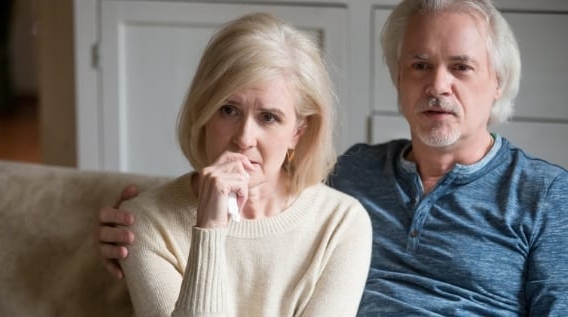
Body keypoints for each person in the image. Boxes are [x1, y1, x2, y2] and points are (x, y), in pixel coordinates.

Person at [97, 0, 568, 315]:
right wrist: (134, 224)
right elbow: (257, 187)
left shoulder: (545, 195)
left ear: (498, 82)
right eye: (419, 65)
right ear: (398, 78)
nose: (438, 85)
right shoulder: (353, 172)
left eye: (461, 67)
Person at [98, 12, 373, 317]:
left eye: (268, 117)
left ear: (298, 131)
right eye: (228, 110)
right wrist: (209, 230)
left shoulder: (341, 223)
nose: (244, 138)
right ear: (204, 113)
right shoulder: (146, 223)